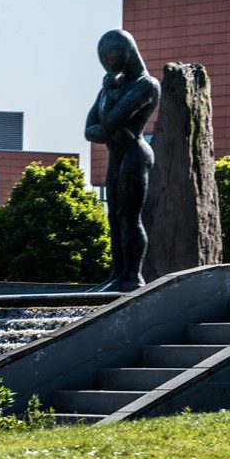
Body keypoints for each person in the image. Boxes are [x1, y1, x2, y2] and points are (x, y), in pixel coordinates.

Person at [84, 29, 160, 290]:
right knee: (113, 216)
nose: (108, 65)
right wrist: (111, 129)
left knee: (129, 215)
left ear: (128, 54)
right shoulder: (111, 87)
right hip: (117, 154)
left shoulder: (145, 85)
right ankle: (117, 273)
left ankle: (132, 275)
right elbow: (89, 131)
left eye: (113, 58)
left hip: (135, 154)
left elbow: (108, 121)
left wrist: (109, 109)